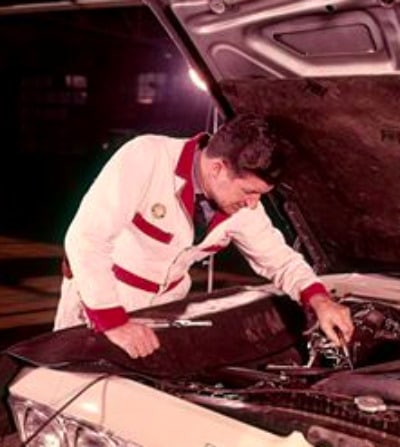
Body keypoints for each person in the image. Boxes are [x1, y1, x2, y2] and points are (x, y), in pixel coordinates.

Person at [54, 114, 354, 359]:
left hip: (166, 307)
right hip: (103, 296)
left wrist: (320, 300)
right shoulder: (146, 157)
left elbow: (279, 259)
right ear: (217, 168)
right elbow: (86, 239)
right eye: (248, 192)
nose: (252, 203)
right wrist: (113, 321)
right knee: (68, 398)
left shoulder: (242, 204)